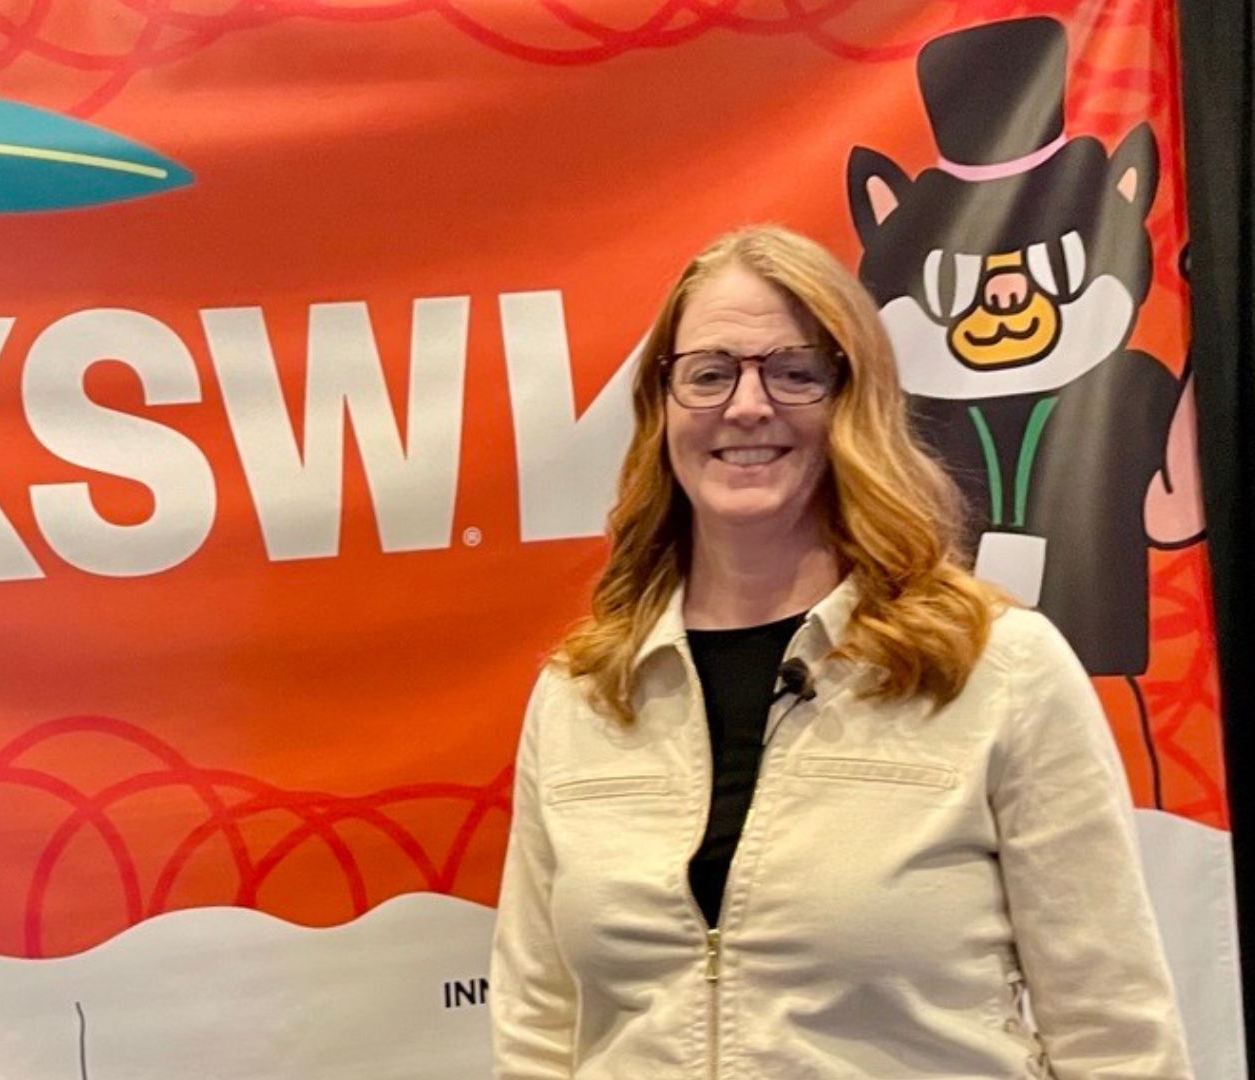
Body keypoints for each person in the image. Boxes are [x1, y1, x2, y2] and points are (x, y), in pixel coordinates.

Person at [488, 225, 1192, 1078]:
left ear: (854, 401)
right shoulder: (586, 692)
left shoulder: (997, 669)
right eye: (709, 374)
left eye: (794, 372)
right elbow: (537, 1030)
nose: (748, 406)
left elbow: (1112, 1037)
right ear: (661, 409)